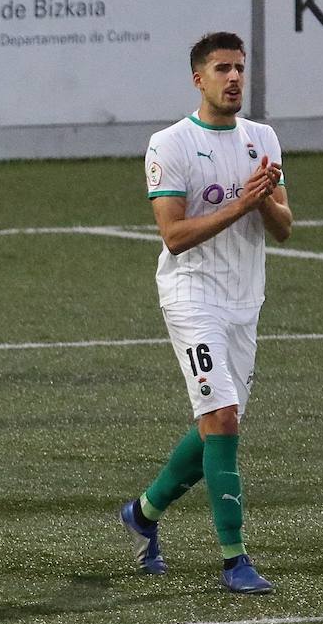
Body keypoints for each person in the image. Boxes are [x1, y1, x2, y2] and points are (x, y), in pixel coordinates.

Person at [119, 31, 292, 594]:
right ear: (199, 78)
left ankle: (144, 513)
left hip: (246, 299)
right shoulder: (169, 144)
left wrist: (264, 197)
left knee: (220, 420)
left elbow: (284, 229)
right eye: (222, 68)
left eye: (240, 67)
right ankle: (234, 559)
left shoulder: (261, 138)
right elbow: (172, 235)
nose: (234, 77)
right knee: (221, 417)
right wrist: (242, 200)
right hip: (192, 297)